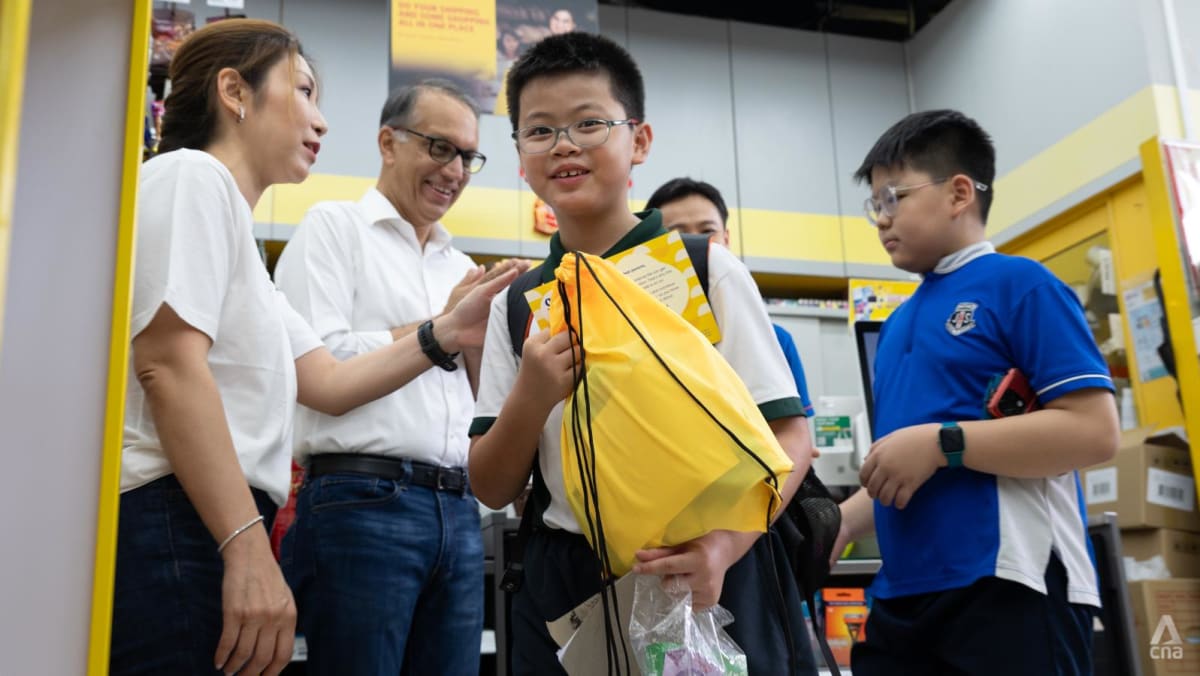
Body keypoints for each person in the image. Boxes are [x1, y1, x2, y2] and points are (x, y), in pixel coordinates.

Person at [113, 20, 516, 676]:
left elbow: (326, 378)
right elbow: (167, 365)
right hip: (180, 514)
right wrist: (246, 546)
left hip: (215, 520)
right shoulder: (191, 176)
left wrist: (449, 330)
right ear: (234, 92)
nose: (322, 121)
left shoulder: (242, 243)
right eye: (303, 90)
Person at [468, 32, 818, 675]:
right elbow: (491, 484)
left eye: (589, 123)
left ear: (640, 140)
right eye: (539, 131)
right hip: (565, 585)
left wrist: (723, 548)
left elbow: (790, 436)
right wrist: (532, 395)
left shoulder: (704, 268)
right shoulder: (515, 303)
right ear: (519, 156)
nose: (564, 144)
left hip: (710, 571)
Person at [834, 109, 1119, 675]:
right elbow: (909, 467)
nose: (880, 219)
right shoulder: (895, 327)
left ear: (959, 192)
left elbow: (1094, 432)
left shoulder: (1022, 285)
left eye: (893, 198)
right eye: (874, 205)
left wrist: (944, 443)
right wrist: (838, 524)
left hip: (1010, 583)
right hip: (901, 595)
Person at [274, 80, 526, 675]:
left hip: (462, 513)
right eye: (440, 148)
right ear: (388, 142)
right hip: (361, 502)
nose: (456, 171)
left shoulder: (462, 266)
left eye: (468, 156)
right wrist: (441, 327)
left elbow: (481, 403)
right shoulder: (331, 229)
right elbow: (321, 363)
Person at [646, 177, 817, 415]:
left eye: (707, 231)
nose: (697, 244)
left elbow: (792, 432)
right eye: (678, 235)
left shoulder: (777, 339)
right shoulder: (637, 336)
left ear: (726, 239)